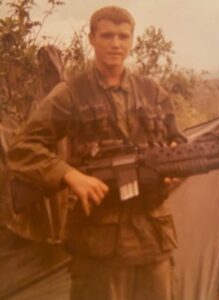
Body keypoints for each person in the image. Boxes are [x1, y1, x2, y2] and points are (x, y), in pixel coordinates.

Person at [7, 6, 185, 300]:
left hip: (152, 239)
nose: (115, 43)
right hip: (98, 242)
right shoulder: (72, 93)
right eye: (107, 35)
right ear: (91, 38)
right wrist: (69, 175)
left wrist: (176, 168)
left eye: (122, 36)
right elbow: (22, 149)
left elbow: (177, 140)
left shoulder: (153, 92)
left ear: (131, 41)